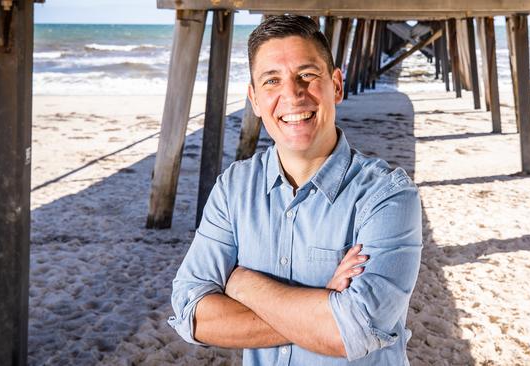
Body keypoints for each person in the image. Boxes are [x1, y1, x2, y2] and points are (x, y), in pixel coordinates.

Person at [168, 15, 422, 365]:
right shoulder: (234, 188)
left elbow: (355, 329)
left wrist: (242, 284)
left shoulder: (387, 195)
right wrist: (320, 306)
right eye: (272, 80)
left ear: (336, 85)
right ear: (255, 99)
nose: (292, 94)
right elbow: (190, 313)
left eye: (307, 75)